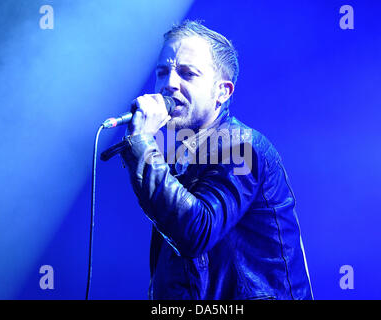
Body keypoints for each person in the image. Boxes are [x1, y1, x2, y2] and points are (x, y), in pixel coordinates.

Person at [117, 20, 313, 300]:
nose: (169, 84)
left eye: (187, 74)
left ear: (222, 91)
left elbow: (196, 231)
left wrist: (142, 144)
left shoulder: (243, 147)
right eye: (162, 72)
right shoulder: (180, 159)